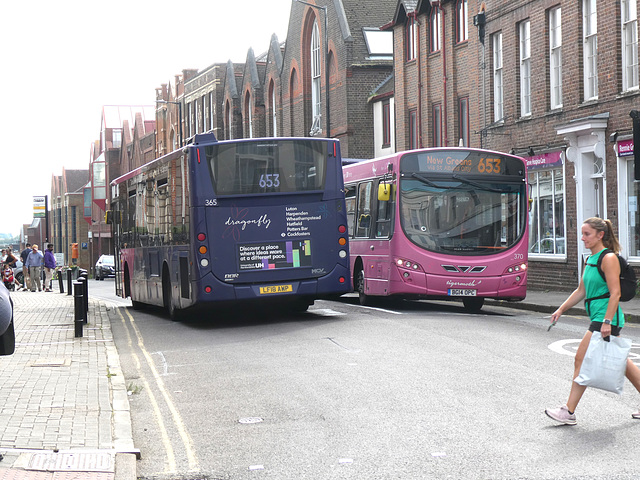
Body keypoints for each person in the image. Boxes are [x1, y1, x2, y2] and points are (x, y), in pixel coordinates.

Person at [545, 217, 640, 425]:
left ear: (600, 235)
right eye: (582, 234)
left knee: (581, 358)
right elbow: (581, 290)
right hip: (599, 316)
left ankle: (568, 411)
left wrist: (607, 321)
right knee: (622, 362)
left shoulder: (608, 258)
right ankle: (568, 411)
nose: (582, 238)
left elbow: (615, 293)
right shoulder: (590, 259)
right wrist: (561, 309)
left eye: (586, 234)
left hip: (606, 317)